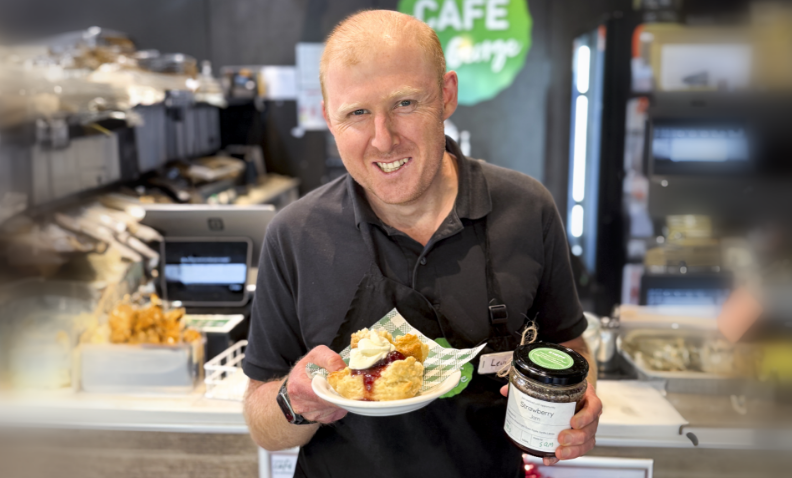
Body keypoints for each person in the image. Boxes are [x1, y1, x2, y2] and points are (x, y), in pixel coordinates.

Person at [242, 10, 601, 478]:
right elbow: (262, 421)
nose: (383, 139)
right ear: (329, 117)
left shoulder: (527, 209)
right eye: (356, 113)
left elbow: (571, 348)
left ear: (446, 95)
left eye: (405, 103)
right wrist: (295, 400)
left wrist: (580, 402)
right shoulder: (295, 234)